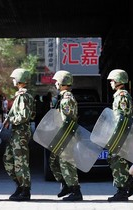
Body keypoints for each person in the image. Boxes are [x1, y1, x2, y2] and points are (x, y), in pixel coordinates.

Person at [106, 69, 133, 201]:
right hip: (121, 134)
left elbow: (122, 118)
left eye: (113, 80)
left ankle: (122, 191)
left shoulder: (122, 96)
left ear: (119, 81)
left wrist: (116, 136)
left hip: (121, 134)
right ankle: (130, 184)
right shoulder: (119, 95)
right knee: (117, 160)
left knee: (118, 161)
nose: (111, 83)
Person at [49, 70, 83, 201]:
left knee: (67, 163)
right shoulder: (63, 98)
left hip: (66, 136)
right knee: (54, 161)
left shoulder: (66, 99)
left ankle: (75, 191)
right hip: (64, 135)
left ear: (62, 82)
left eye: (57, 81)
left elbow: (67, 120)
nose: (56, 83)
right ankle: (66, 184)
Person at [3, 68, 35, 201]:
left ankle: (25, 190)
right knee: (8, 159)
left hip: (21, 133)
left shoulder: (23, 96)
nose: (13, 80)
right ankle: (20, 185)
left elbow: (24, 116)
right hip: (17, 132)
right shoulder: (19, 95)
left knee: (21, 162)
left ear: (20, 79)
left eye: (14, 78)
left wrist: (11, 119)